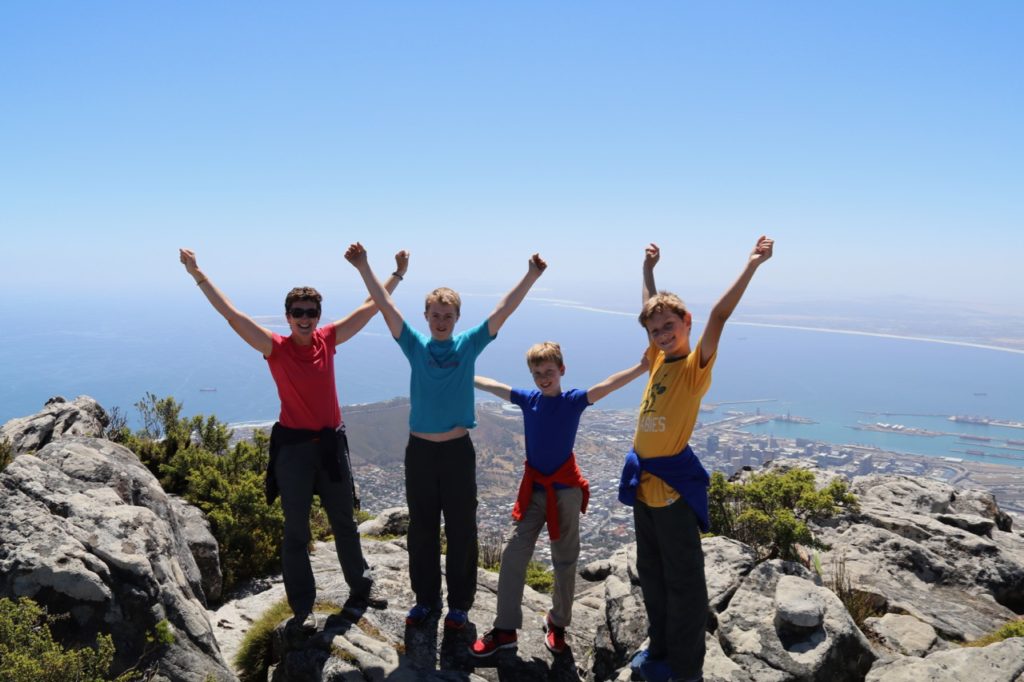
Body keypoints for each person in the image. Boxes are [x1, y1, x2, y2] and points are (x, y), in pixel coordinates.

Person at [178, 246, 409, 629]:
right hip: (295, 451)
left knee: (345, 522)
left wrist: (397, 274)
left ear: (319, 316)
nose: (305, 319)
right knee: (296, 530)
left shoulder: (328, 340)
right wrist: (197, 272)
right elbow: (232, 315)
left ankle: (361, 587)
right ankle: (302, 606)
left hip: (331, 446)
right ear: (288, 317)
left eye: (311, 312)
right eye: (298, 312)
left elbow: (371, 306)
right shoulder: (276, 348)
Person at [345, 242, 545, 631]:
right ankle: (425, 601)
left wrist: (531, 276)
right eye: (435, 315)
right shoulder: (415, 345)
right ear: (426, 316)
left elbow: (502, 310)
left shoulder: (468, 344)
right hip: (419, 452)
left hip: (456, 451)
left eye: (447, 316)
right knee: (421, 529)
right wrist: (365, 266)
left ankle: (459, 607)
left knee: (461, 530)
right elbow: (386, 306)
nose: (441, 321)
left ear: (456, 318)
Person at [621, 237, 774, 682]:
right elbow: (650, 307)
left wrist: (751, 265)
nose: (663, 334)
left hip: (670, 494)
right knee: (652, 577)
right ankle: (660, 652)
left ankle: (685, 669)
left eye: (671, 326)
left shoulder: (693, 366)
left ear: (686, 322)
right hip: (645, 492)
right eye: (655, 330)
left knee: (684, 585)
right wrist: (648, 270)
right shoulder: (657, 359)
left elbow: (720, 316)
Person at [468, 341, 647, 657]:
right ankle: (505, 629)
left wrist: (641, 367)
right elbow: (495, 387)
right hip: (534, 489)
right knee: (511, 554)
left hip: (565, 491)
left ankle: (558, 624)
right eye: (537, 373)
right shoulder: (529, 400)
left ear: (561, 370)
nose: (543, 378)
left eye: (549, 371)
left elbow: (605, 386)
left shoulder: (572, 401)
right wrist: (464, 372)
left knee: (565, 560)